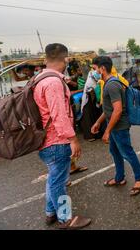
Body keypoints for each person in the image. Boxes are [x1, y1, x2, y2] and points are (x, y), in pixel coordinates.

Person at [33, 43, 91, 229]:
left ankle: (50, 213)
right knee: (60, 182)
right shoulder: (53, 83)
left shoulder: (40, 78)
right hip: (56, 141)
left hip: (44, 140)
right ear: (65, 59)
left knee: (54, 178)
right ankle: (66, 218)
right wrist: (73, 139)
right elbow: (59, 115)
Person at [91, 56, 140, 197]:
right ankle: (119, 177)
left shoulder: (112, 85)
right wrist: (98, 122)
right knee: (115, 152)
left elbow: (118, 110)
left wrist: (107, 131)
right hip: (114, 126)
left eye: (95, 69)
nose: (94, 72)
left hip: (119, 127)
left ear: (102, 68)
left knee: (128, 153)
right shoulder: (108, 83)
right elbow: (108, 109)